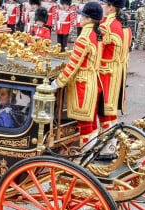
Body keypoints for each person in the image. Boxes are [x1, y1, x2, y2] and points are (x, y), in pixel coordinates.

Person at [51, 1, 103, 149]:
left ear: (89, 19)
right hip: (93, 82)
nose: (80, 18)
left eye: (83, 16)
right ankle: (90, 153)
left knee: (85, 125)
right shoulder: (95, 34)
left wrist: (58, 83)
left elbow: (73, 64)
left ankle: (85, 156)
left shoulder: (84, 37)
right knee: (91, 123)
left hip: (83, 85)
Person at [97, 0, 132, 159]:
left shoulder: (106, 25)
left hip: (105, 74)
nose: (103, 7)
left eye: (105, 5)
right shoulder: (125, 25)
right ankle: (111, 146)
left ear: (111, 7)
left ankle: (105, 147)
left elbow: (97, 51)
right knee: (111, 113)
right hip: (119, 73)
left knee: (103, 112)